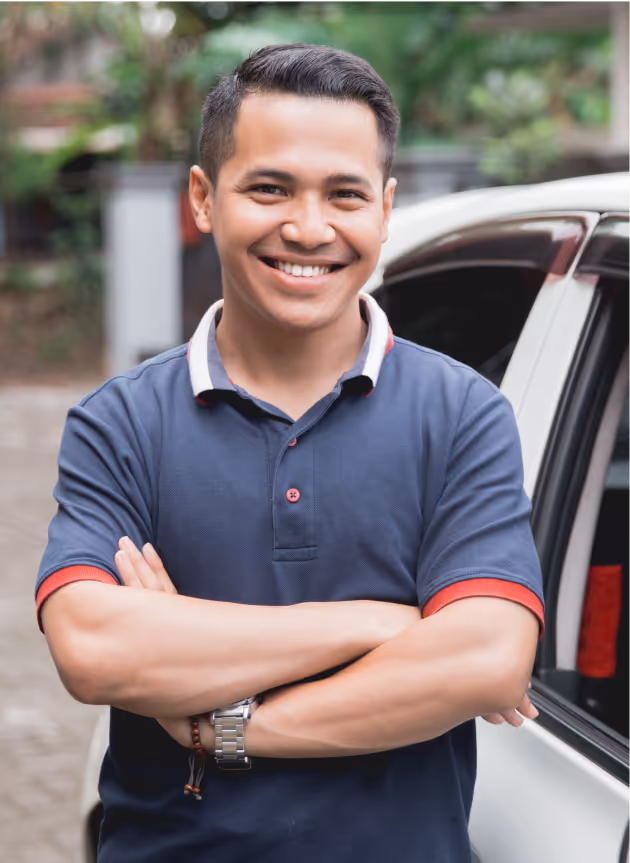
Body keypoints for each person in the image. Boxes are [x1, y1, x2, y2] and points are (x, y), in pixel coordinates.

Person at [36, 44, 543, 863]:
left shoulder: (463, 415)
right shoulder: (119, 421)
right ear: (203, 199)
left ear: (383, 206)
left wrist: (222, 726)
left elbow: (485, 656)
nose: (309, 229)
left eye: (344, 194)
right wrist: (383, 624)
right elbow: (96, 651)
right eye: (269, 188)